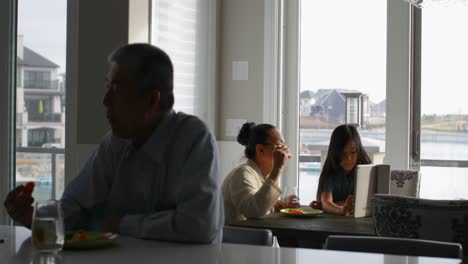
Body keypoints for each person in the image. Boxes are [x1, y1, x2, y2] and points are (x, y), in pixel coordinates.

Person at [4, 43, 224, 243]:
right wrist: (35, 218)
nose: (105, 100)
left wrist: (120, 224)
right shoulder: (115, 144)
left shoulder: (194, 139)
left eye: (116, 90)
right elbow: (74, 206)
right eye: (107, 87)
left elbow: (198, 226)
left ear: (151, 100)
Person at [222, 122, 291, 224]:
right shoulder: (242, 173)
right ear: (260, 149)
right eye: (280, 145)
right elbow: (252, 211)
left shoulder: (260, 175)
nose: (285, 151)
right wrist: (277, 168)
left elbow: (260, 207)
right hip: (233, 238)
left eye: (284, 145)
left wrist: (275, 206)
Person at [313, 124, 371, 216]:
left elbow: (370, 202)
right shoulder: (331, 171)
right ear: (335, 152)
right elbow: (325, 203)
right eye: (343, 153)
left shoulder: (367, 169)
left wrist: (337, 204)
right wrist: (342, 210)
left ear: (358, 150)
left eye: (353, 152)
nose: (349, 158)